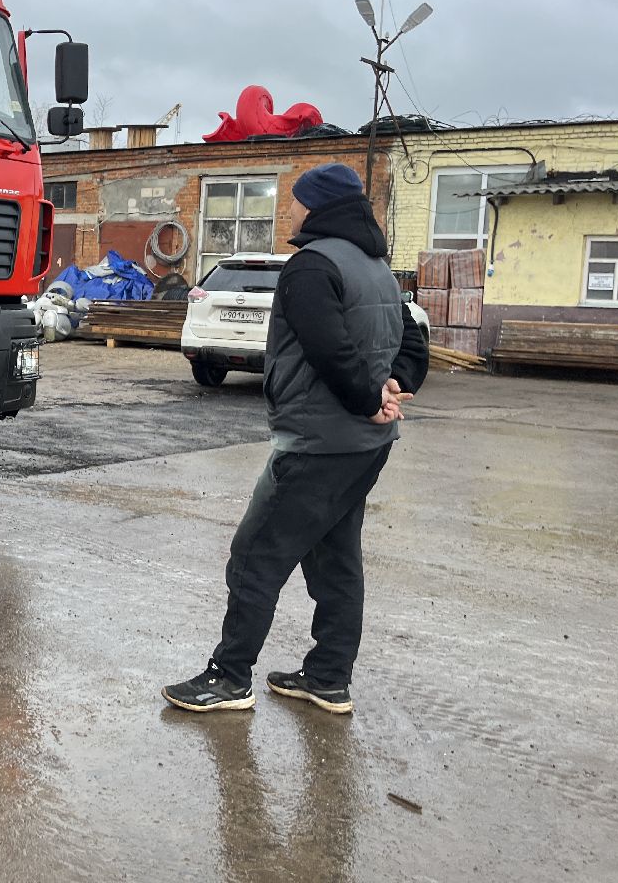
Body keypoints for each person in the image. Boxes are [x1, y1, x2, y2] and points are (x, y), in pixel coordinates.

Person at [162, 162, 428, 715]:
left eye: (296, 200)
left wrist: (366, 396)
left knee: (255, 556)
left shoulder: (312, 266)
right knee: (336, 560)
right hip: (366, 447)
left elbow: (330, 350)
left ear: (318, 207)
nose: (290, 209)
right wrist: (391, 386)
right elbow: (414, 340)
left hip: (316, 445)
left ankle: (229, 677)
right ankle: (328, 677)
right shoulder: (376, 266)